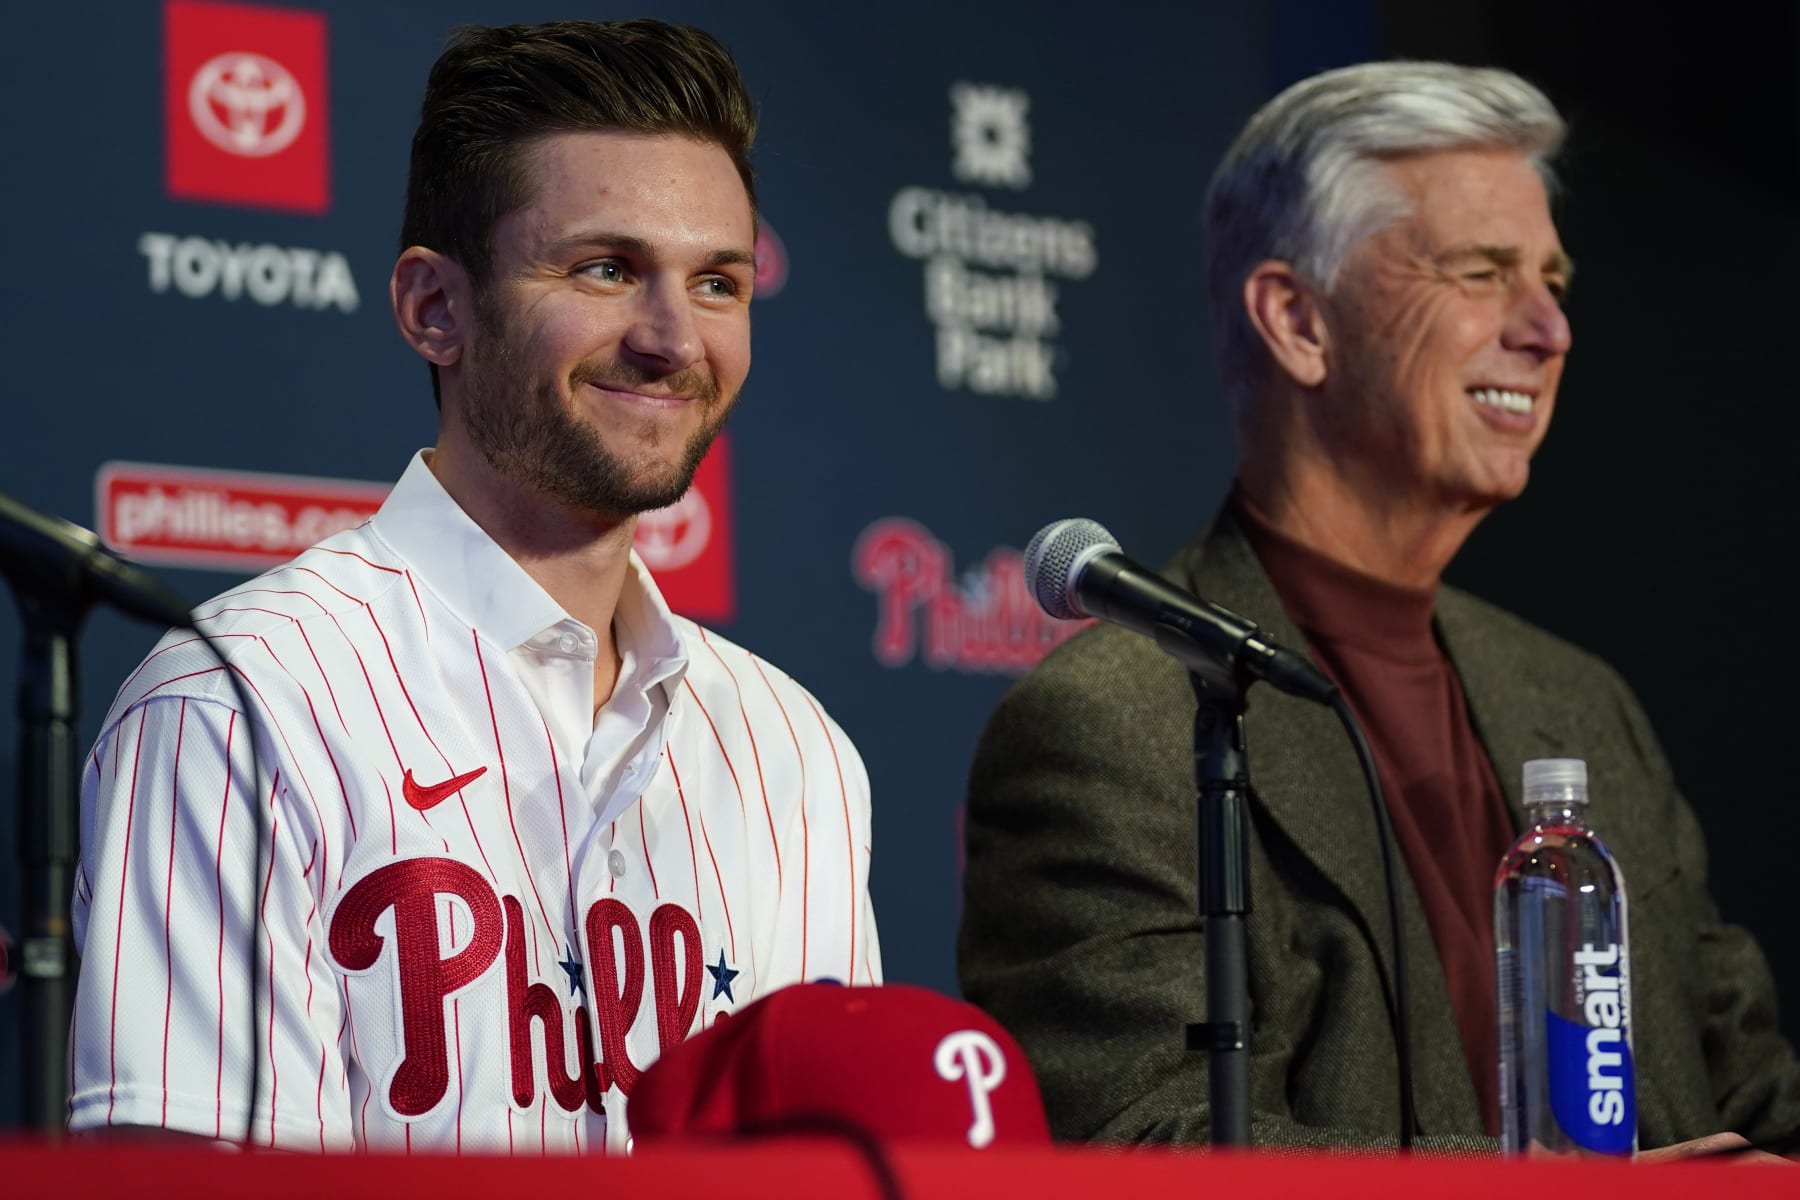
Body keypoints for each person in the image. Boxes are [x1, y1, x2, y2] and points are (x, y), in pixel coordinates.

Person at [957, 61, 1800, 1154]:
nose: (1550, 329)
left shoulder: (1585, 706)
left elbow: (1754, 1100)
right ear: (1299, 320)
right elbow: (1134, 1144)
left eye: (1553, 276)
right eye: (1484, 272)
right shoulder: (1111, 724)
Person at [68, 19, 880, 1153]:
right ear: (433, 309)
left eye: (717, 282)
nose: (671, 337)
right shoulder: (241, 703)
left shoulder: (798, 754)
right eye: (606, 269)